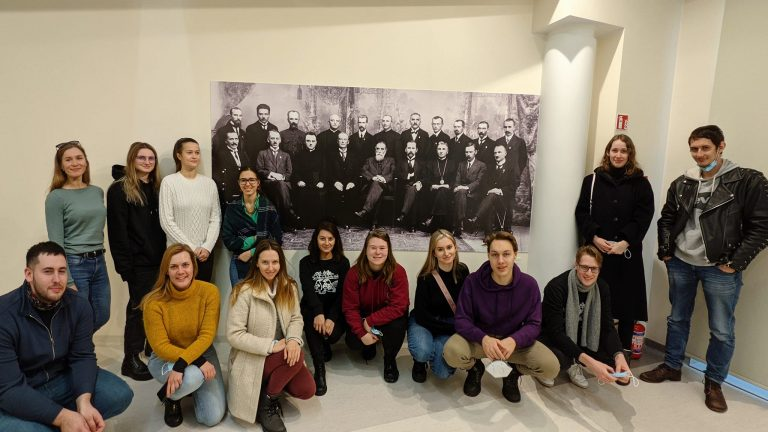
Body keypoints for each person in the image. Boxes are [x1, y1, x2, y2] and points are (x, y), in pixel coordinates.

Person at [640, 125, 768, 413]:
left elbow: (762, 227)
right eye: (694, 149)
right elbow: (666, 219)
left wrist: (735, 263)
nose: (699, 154)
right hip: (681, 263)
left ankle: (714, 383)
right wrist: (666, 251)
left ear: (721, 146)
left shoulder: (746, 181)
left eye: (705, 148)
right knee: (677, 319)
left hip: (719, 269)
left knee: (721, 330)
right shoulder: (683, 182)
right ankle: (672, 366)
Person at [0, 241, 133, 431]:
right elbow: (9, 388)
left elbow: (82, 356)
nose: (57, 279)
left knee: (119, 394)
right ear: (29, 274)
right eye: (48, 271)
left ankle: (56, 419)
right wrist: (62, 417)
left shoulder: (79, 305)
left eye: (62, 271)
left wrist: (84, 402)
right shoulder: (4, 314)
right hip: (21, 388)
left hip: (60, 380)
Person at [443, 231, 559, 404]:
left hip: (512, 344)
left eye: (506, 254)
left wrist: (514, 340)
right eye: (495, 254)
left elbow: (534, 324)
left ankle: (513, 373)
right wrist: (483, 339)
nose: (501, 261)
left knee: (550, 367)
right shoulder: (472, 282)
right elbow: (461, 320)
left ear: (515, 255)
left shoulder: (529, 285)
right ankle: (475, 369)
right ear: (488, 256)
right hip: (481, 340)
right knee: (452, 352)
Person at [574, 134, 654, 355]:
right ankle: (594, 347)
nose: (618, 155)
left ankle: (624, 350)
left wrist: (625, 242)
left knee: (627, 304)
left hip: (627, 252)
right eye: (614, 150)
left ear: (630, 154)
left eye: (623, 151)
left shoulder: (641, 183)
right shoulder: (592, 181)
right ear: (608, 152)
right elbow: (582, 213)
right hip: (597, 252)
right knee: (596, 300)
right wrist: (594, 237)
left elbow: (644, 216)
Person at [227, 240, 315, 432]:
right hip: (254, 356)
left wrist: (293, 340)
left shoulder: (289, 286)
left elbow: (296, 319)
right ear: (256, 263)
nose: (270, 267)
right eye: (265, 262)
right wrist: (271, 345)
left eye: (275, 262)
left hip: (281, 352)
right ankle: (267, 405)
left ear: (281, 263)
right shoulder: (243, 291)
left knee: (307, 389)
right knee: (296, 355)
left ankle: (267, 386)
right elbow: (234, 335)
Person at [141, 244, 226, 428]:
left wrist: (188, 362)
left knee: (211, 417)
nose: (180, 271)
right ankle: (172, 398)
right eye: (174, 266)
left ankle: (183, 387)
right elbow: (161, 346)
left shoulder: (210, 292)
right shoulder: (153, 302)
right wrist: (196, 362)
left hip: (201, 350)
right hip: (165, 357)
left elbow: (207, 335)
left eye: (185, 265)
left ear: (194, 267)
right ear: (166, 271)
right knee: (194, 376)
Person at [107, 142, 167, 382]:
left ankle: (152, 350)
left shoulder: (157, 187)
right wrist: (125, 267)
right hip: (137, 263)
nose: (147, 162)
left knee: (157, 307)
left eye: (151, 158)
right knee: (138, 311)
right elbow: (117, 232)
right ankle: (130, 360)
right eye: (142, 158)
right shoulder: (119, 189)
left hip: (160, 260)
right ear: (132, 160)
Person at [539, 246, 632, 389]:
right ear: (576, 265)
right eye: (584, 267)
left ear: (599, 269)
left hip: (581, 335)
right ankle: (547, 369)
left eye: (594, 269)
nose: (589, 273)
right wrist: (590, 363)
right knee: (562, 359)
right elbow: (555, 332)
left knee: (619, 357)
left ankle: (576, 361)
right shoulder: (556, 287)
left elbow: (607, 326)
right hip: (552, 336)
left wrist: (619, 355)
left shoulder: (602, 287)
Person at [45, 140, 111, 331]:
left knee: (102, 314)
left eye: (79, 158)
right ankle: (75, 350)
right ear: (61, 166)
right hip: (75, 263)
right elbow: (56, 242)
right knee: (77, 317)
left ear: (86, 162)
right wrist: (67, 277)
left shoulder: (97, 192)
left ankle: (74, 347)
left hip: (99, 261)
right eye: (68, 160)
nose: (75, 163)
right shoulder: (56, 197)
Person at [343, 229, 409, 383]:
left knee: (397, 326)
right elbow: (350, 308)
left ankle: (390, 360)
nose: (377, 252)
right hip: (364, 317)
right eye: (373, 247)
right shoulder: (354, 273)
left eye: (382, 248)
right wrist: (362, 333)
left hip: (386, 319)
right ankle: (370, 343)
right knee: (353, 342)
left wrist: (370, 321)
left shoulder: (398, 272)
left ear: (388, 250)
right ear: (366, 249)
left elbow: (399, 306)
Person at [408, 230, 469, 383]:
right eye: (440, 249)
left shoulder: (463, 271)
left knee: (443, 372)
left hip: (448, 323)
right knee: (423, 351)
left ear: (455, 248)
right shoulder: (425, 277)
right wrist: (452, 328)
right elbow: (422, 315)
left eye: (449, 247)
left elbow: (467, 303)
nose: (446, 253)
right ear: (433, 253)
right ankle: (419, 362)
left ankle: (434, 346)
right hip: (424, 322)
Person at [159, 138, 221, 282]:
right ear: (179, 155)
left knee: (203, 293)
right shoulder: (169, 182)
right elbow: (167, 221)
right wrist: (192, 248)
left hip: (205, 256)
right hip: (178, 256)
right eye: (189, 152)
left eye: (197, 153)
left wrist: (207, 247)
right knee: (179, 295)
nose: (194, 156)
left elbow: (215, 218)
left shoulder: (209, 184)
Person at [299, 221, 350, 395]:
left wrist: (332, 317)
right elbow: (308, 291)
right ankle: (319, 369)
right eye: (322, 238)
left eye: (330, 238)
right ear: (316, 240)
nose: (326, 243)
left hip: (334, 309)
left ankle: (325, 343)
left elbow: (342, 294)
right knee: (311, 322)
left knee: (332, 334)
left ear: (336, 241)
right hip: (312, 308)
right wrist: (318, 313)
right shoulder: (306, 263)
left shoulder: (343, 263)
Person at [222, 167, 282, 287]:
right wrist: (255, 238)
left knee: (265, 298)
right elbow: (228, 239)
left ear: (258, 183)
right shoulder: (232, 208)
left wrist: (252, 252)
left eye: (251, 180)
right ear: (239, 183)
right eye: (243, 180)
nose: (247, 184)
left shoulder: (269, 207)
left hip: (267, 263)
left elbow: (277, 239)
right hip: (240, 260)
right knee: (241, 297)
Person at [468, 144, 522, 234]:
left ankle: (476, 218)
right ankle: (488, 234)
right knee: (491, 199)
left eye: (499, 152)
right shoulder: (490, 167)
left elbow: (515, 184)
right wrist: (489, 190)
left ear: (505, 153)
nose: (496, 155)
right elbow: (484, 183)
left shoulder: (512, 166)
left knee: (491, 197)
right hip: (491, 196)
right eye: (495, 153)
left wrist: (500, 191)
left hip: (505, 197)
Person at [256, 130, 301, 230]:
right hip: (269, 184)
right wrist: (271, 174)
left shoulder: (286, 155)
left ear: (280, 140)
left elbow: (289, 173)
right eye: (272, 138)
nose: (275, 141)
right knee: (281, 186)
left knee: (281, 185)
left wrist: (282, 177)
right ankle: (289, 214)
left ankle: (283, 223)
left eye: (277, 138)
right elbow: (259, 170)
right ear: (268, 140)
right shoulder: (262, 153)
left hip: (283, 184)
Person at [354, 142, 395, 227]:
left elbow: (393, 173)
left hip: (386, 186)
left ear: (386, 151)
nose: (380, 151)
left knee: (377, 186)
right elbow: (363, 170)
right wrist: (373, 177)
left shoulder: (391, 160)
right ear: (375, 150)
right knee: (377, 188)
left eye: (382, 149)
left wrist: (383, 179)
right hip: (371, 186)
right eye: (378, 149)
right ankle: (374, 222)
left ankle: (365, 211)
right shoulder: (369, 160)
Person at [292, 132, 327, 228]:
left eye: (313, 141)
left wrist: (322, 181)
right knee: (302, 194)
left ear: (316, 142)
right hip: (304, 182)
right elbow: (295, 171)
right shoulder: (298, 155)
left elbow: (324, 170)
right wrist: (299, 181)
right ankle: (304, 223)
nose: (310, 143)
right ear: (304, 142)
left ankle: (317, 223)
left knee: (320, 195)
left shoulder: (321, 154)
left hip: (317, 182)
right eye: (308, 141)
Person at [453, 143, 487, 237]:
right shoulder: (461, 164)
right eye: (466, 152)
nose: (468, 154)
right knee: (460, 193)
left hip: (473, 192)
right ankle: (461, 221)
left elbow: (478, 182)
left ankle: (459, 223)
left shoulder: (481, 165)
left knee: (461, 192)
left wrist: (466, 187)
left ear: (475, 152)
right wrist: (457, 187)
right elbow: (457, 180)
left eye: (470, 152)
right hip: (461, 191)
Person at [421, 141, 457, 231]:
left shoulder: (452, 163)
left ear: (447, 151)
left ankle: (432, 217)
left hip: (448, 190)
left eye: (443, 149)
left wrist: (448, 185)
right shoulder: (431, 163)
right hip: (433, 190)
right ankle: (443, 224)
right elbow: (426, 178)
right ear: (436, 150)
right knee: (440, 191)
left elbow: (454, 178)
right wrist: (432, 185)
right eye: (439, 149)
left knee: (442, 191)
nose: (441, 151)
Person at [326, 133, 360, 227]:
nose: (342, 141)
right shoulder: (331, 155)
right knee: (334, 194)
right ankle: (337, 220)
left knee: (351, 194)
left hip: (350, 183)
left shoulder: (354, 155)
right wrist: (335, 182)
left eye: (345, 139)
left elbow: (357, 172)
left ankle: (347, 221)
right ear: (337, 141)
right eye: (340, 139)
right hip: (336, 183)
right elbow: (328, 172)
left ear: (348, 142)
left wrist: (352, 182)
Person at [212, 130, 251, 210]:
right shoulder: (220, 154)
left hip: (243, 187)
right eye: (231, 139)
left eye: (236, 139)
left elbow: (248, 169)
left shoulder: (243, 153)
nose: (234, 142)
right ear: (226, 141)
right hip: (229, 188)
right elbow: (218, 175)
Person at [395, 140, 427, 230]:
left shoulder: (421, 163)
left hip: (417, 188)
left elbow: (425, 177)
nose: (411, 150)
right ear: (405, 149)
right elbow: (396, 174)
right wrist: (407, 176)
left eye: (413, 148)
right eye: (409, 148)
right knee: (412, 190)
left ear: (416, 150)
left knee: (413, 190)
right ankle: (412, 225)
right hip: (403, 188)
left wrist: (419, 182)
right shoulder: (400, 162)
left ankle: (403, 214)